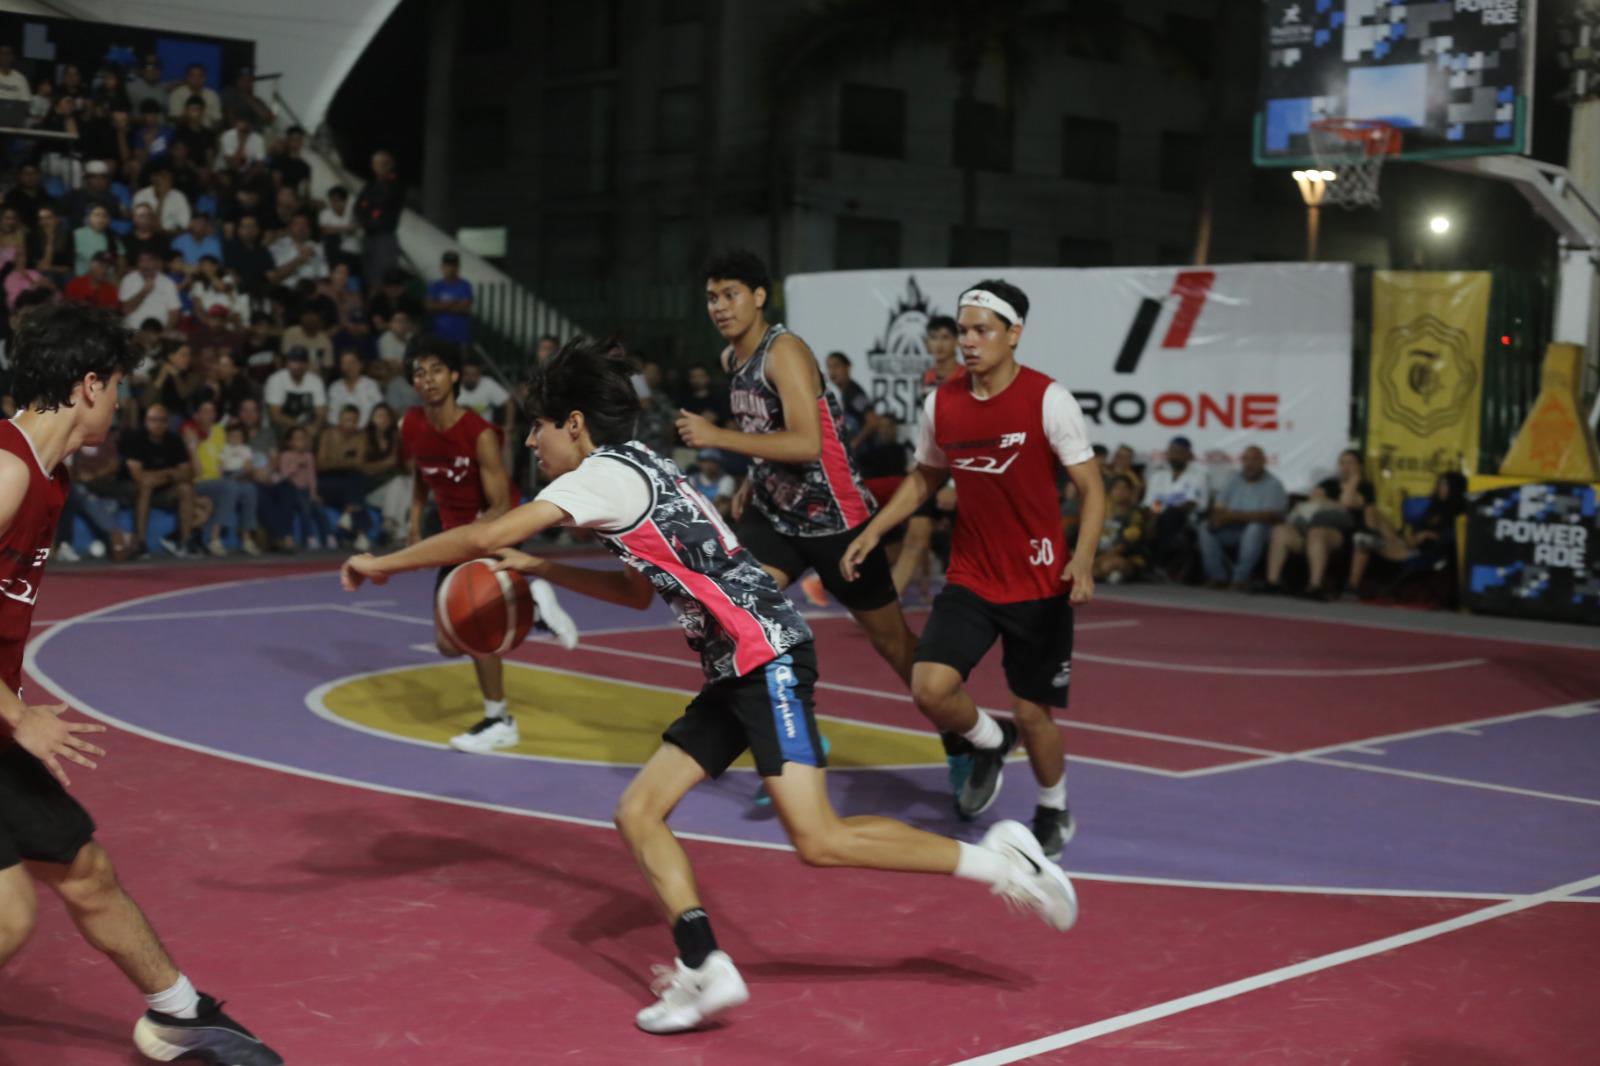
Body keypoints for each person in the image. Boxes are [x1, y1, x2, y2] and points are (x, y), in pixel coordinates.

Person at [339, 337, 1079, 1034]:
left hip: (768, 658)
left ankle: (1000, 863)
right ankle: (705, 967)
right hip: (737, 666)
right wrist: (545, 570)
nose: (532, 443)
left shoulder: (600, 476)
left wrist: (385, 563)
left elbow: (484, 535)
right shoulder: (634, 468)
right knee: (639, 813)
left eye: (537, 429)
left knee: (818, 841)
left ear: (572, 424)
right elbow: (633, 596)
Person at [0, 300, 282, 1063]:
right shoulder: (6, 468)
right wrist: (17, 715)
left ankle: (179, 1013)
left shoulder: (45, 475)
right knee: (8, 918)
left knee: (82, 868)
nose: (123, 401)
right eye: (119, 385)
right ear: (90, 385)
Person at [842, 279, 1104, 859]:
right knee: (929, 687)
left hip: (1039, 585)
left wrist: (1081, 558)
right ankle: (987, 742)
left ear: (1014, 334)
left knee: (1033, 714)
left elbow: (1092, 489)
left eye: (982, 329)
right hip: (972, 576)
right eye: (963, 329)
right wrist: (875, 529)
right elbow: (925, 477)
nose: (969, 340)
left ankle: (1054, 806)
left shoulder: (1048, 399)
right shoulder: (943, 402)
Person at [681, 251, 921, 730]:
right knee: (738, 614)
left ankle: (968, 738)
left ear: (759, 297)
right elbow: (764, 424)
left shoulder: (784, 352)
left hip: (835, 521)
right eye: (712, 298)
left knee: (894, 645)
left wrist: (717, 436)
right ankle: (787, 734)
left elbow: (808, 443)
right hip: (776, 518)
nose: (720, 307)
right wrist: (754, 473)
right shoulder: (733, 357)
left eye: (731, 295)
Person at [398, 336, 577, 753]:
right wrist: (413, 524)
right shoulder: (411, 424)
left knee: (471, 627)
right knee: (447, 643)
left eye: (436, 370)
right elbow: (421, 476)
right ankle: (531, 609)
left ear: (455, 375)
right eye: (420, 372)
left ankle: (499, 718)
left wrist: (474, 541)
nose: (427, 379)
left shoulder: (478, 433)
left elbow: (499, 504)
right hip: (453, 537)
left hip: (490, 531)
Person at [891, 314, 962, 597]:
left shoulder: (965, 378)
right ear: (927, 343)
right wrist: (919, 460)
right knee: (914, 537)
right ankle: (888, 609)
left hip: (963, 472)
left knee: (976, 545)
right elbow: (926, 424)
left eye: (947, 337)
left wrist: (954, 484)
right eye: (935, 338)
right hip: (931, 469)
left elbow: (968, 433)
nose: (940, 344)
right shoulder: (929, 378)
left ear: (957, 342)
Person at [1263, 448, 1373, 599]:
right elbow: (1314, 500)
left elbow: (1347, 502)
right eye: (1342, 463)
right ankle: (1272, 582)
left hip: (1339, 535)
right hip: (1308, 529)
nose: (1345, 467)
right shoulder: (1328, 483)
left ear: (1359, 467)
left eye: (1350, 463)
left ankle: (1314, 586)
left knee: (1317, 533)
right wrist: (1335, 503)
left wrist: (1354, 481)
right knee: (1280, 530)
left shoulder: (1365, 488)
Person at [1347, 471, 1467, 596]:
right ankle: (1371, 537)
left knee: (1361, 541)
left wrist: (1427, 536)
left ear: (1454, 488)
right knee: (1370, 510)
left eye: (1445, 485)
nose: (1440, 488)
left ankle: (1352, 585)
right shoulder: (1433, 508)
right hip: (1409, 546)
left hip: (1426, 553)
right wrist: (1416, 537)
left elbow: (1451, 539)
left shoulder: (1460, 512)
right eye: (1440, 484)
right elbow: (1416, 533)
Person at [122, 402, 210, 557]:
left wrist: (161, 475)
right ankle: (141, 542)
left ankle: (185, 541)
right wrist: (170, 473)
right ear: (146, 421)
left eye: (162, 420)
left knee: (186, 488)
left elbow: (187, 473)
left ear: (167, 422)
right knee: (145, 488)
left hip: (165, 491)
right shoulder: (136, 439)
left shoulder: (174, 440)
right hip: (134, 489)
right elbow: (138, 477)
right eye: (154, 420)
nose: (158, 424)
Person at [1196, 445, 1287, 590]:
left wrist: (1232, 516)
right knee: (1205, 527)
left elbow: (1269, 515)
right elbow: (1219, 508)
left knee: (1254, 528)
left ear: (1263, 462)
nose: (1250, 464)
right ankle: (1217, 577)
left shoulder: (1273, 484)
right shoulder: (1234, 480)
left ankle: (1240, 579)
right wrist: (1217, 517)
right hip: (1232, 528)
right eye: (1246, 460)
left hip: (1261, 532)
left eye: (1255, 460)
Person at [1141, 435, 1209, 579]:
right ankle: (1143, 564)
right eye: (1172, 452)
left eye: (1180, 452)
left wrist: (1161, 516)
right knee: (1145, 519)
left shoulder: (1198, 476)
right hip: (1159, 516)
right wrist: (1154, 518)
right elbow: (1154, 501)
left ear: (1189, 455)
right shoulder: (1159, 476)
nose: (1175, 456)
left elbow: (1191, 503)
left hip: (1186, 519)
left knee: (1171, 516)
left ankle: (1158, 564)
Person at [356, 150, 403, 284]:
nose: (379, 168)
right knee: (368, 276)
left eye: (383, 164)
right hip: (368, 235)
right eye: (376, 164)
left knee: (384, 277)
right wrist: (368, 216)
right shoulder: (370, 184)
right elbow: (359, 207)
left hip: (384, 236)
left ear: (390, 165)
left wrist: (370, 209)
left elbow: (383, 203)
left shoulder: (395, 184)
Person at [263, 347, 327, 433]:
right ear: (287, 363)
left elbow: (321, 413)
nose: (298, 366)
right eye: (294, 361)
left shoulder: (316, 381)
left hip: (309, 428)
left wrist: (314, 428)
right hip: (282, 428)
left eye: (302, 362)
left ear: (307, 364)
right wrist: (302, 427)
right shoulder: (276, 379)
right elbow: (275, 415)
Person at [118, 249, 181, 332]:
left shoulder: (168, 283)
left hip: (159, 333)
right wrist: (144, 292)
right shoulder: (128, 280)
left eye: (149, 260)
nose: (145, 265)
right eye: (142, 261)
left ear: (156, 263)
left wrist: (164, 332)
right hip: (133, 331)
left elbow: (174, 313)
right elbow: (126, 310)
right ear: (137, 264)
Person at [425, 251, 473, 345]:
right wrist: (454, 302)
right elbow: (429, 306)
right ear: (442, 267)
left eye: (453, 266)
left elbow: (464, 308)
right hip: (438, 336)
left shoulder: (465, 285)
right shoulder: (435, 285)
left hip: (460, 337)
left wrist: (440, 305)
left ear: (458, 268)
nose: (450, 269)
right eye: (447, 265)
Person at [327, 349, 383, 427]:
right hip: (340, 432)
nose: (348, 367)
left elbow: (378, 411)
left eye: (352, 362)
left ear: (360, 364)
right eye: (344, 363)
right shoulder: (335, 387)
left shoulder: (371, 385)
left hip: (367, 431)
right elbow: (332, 416)